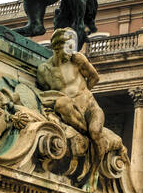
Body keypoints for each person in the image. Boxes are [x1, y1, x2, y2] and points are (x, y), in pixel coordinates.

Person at [36, 27, 106, 169]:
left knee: (96, 132)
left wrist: (84, 95)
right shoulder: (44, 70)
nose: (71, 51)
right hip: (72, 110)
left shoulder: (77, 59)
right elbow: (46, 90)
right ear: (57, 47)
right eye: (68, 47)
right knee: (62, 104)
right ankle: (83, 134)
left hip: (90, 107)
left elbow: (94, 78)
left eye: (72, 47)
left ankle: (95, 171)